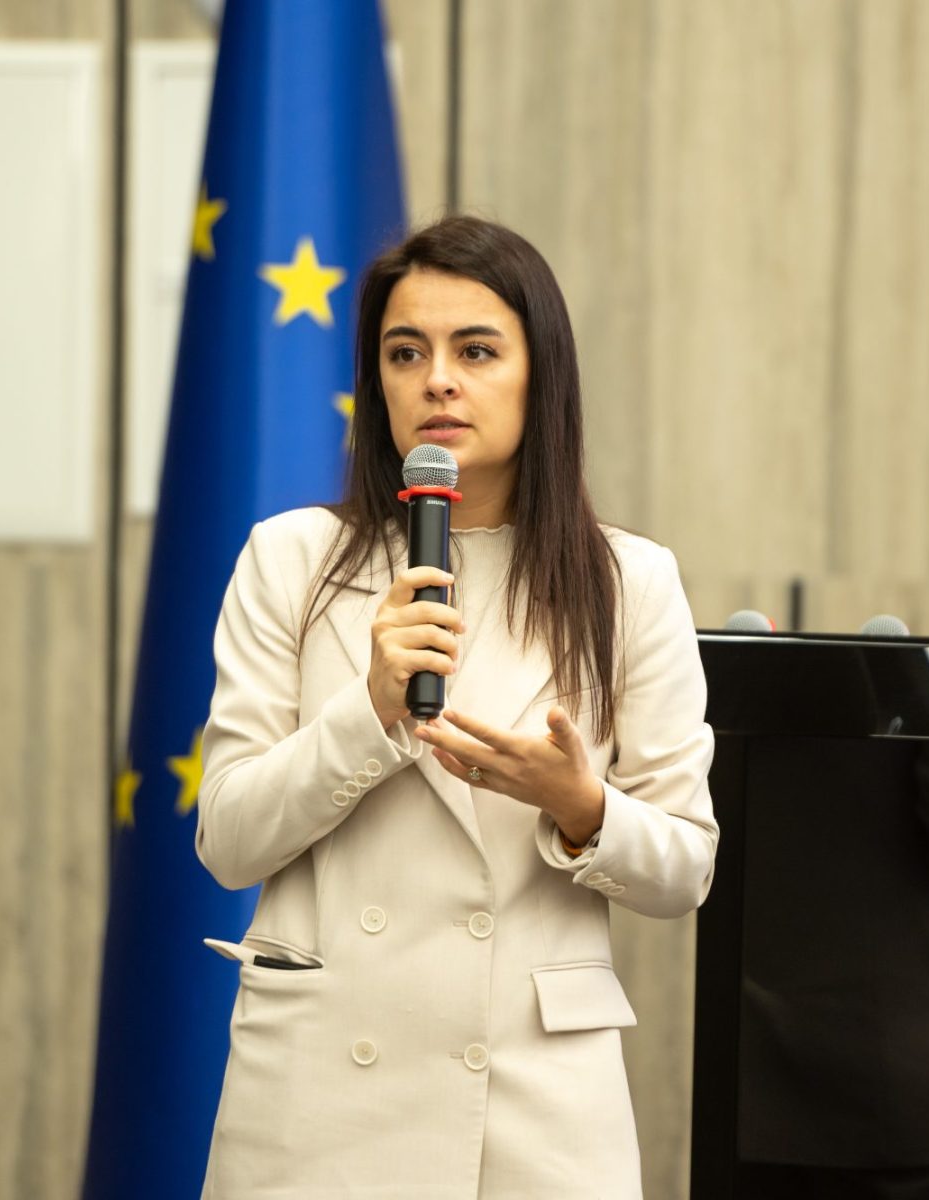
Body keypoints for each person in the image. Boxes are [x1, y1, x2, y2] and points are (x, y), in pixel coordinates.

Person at [193, 214, 718, 1198]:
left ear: (539, 376)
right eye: (405, 353)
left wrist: (581, 807)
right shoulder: (288, 559)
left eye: (475, 351)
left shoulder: (630, 582)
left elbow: (685, 867)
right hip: (321, 1100)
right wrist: (368, 714)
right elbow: (227, 840)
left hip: (532, 1110)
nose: (437, 380)